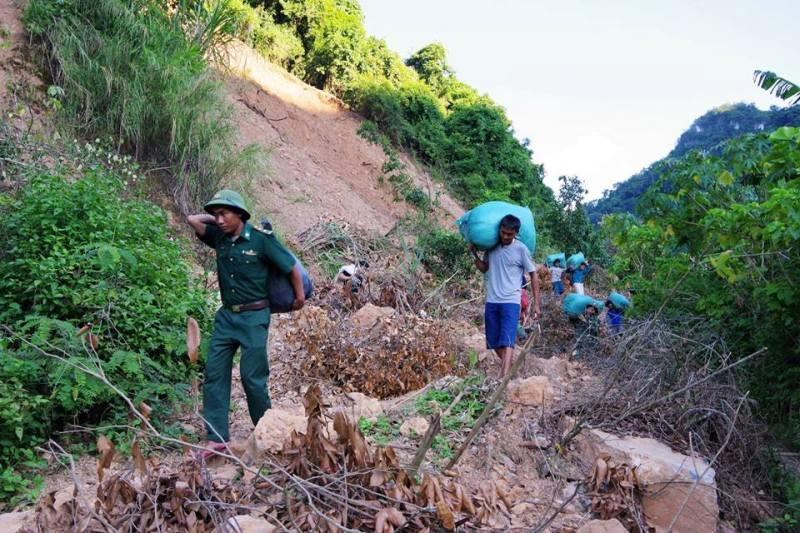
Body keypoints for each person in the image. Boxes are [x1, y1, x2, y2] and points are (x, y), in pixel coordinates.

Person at [187, 190, 305, 456]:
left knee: (253, 376)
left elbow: (291, 268)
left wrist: (299, 298)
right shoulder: (219, 238)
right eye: (216, 215)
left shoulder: (262, 241)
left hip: (254, 317)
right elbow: (193, 220)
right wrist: (217, 216)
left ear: (240, 214)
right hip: (227, 317)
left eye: (224, 214)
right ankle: (216, 438)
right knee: (214, 374)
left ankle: (265, 429)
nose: (219, 220)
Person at [469, 214, 541, 378]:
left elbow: (533, 274)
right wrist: (473, 254)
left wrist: (537, 304)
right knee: (493, 341)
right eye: (503, 233)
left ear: (516, 233)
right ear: (499, 231)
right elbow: (484, 268)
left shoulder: (521, 249)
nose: (506, 236)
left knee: (508, 339)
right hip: (492, 300)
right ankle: (511, 372)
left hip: (511, 301)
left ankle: (503, 378)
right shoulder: (492, 248)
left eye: (510, 234)